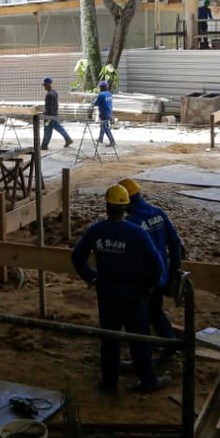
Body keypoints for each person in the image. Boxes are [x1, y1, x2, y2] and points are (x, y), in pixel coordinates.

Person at [71, 184, 171, 394]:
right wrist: (148, 285)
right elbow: (157, 264)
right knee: (139, 337)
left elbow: (77, 256)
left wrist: (91, 277)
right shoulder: (136, 233)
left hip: (107, 293)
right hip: (133, 294)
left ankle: (110, 383)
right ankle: (147, 380)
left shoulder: (96, 230)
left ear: (107, 207)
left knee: (109, 338)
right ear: (126, 207)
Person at [120, 178, 184, 355]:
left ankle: (144, 356)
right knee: (155, 312)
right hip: (161, 276)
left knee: (140, 320)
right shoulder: (158, 213)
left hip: (144, 281)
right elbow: (174, 242)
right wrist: (174, 270)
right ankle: (170, 344)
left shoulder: (132, 223)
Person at [39, 77, 72, 149]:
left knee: (47, 129)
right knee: (58, 127)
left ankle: (44, 145)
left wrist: (45, 115)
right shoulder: (54, 92)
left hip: (49, 117)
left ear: (48, 85)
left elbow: (49, 107)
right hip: (54, 115)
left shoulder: (49, 95)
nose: (44, 87)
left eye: (45, 85)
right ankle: (68, 139)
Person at [94, 80, 115, 146]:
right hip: (109, 112)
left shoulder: (101, 95)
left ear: (101, 87)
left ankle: (112, 141)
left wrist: (93, 101)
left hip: (103, 113)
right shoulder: (109, 94)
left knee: (105, 127)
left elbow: (96, 103)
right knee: (103, 125)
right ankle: (100, 138)